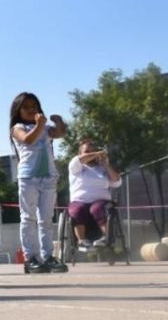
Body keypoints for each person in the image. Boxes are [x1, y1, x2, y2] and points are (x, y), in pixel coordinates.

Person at [10, 92, 68, 274]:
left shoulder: (45, 128)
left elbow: (60, 133)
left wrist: (59, 123)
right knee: (28, 217)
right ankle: (31, 257)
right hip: (29, 178)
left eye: (33, 106)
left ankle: (48, 256)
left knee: (46, 219)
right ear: (18, 111)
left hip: (48, 177)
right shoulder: (18, 128)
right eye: (25, 107)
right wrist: (40, 124)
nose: (30, 110)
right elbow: (28, 139)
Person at [68, 140, 121, 249]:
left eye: (93, 151)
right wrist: (97, 153)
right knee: (77, 210)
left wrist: (105, 164)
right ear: (80, 153)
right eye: (87, 151)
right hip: (80, 200)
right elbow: (80, 159)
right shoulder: (76, 166)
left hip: (101, 200)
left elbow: (116, 181)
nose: (90, 154)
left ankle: (107, 237)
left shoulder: (102, 169)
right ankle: (82, 240)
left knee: (97, 209)